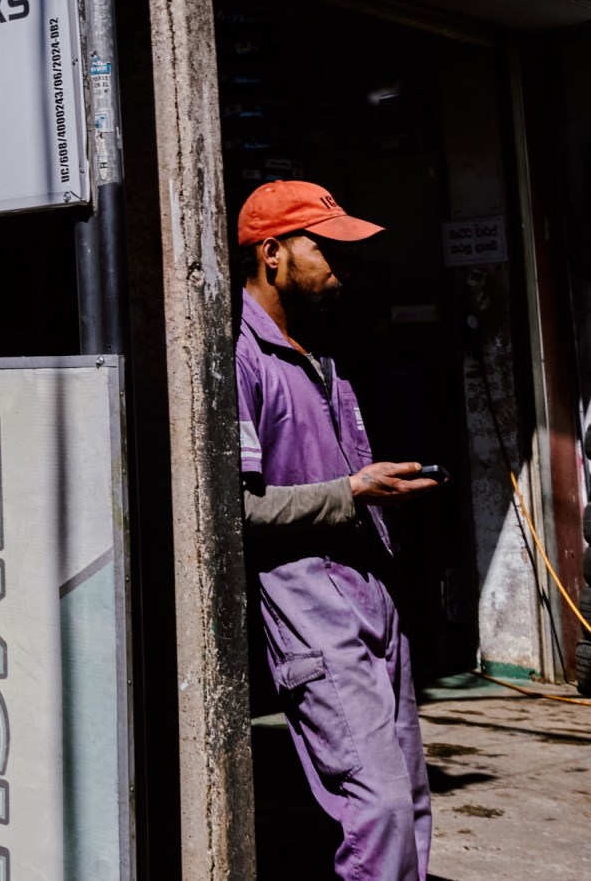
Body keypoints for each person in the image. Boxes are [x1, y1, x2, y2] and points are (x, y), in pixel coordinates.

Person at [234, 180, 442, 881]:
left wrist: (379, 494)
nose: (342, 267)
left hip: (374, 598)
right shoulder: (240, 358)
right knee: (378, 809)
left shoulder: (321, 353)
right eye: (326, 249)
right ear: (271, 253)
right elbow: (233, 511)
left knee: (410, 801)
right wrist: (352, 492)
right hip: (311, 610)